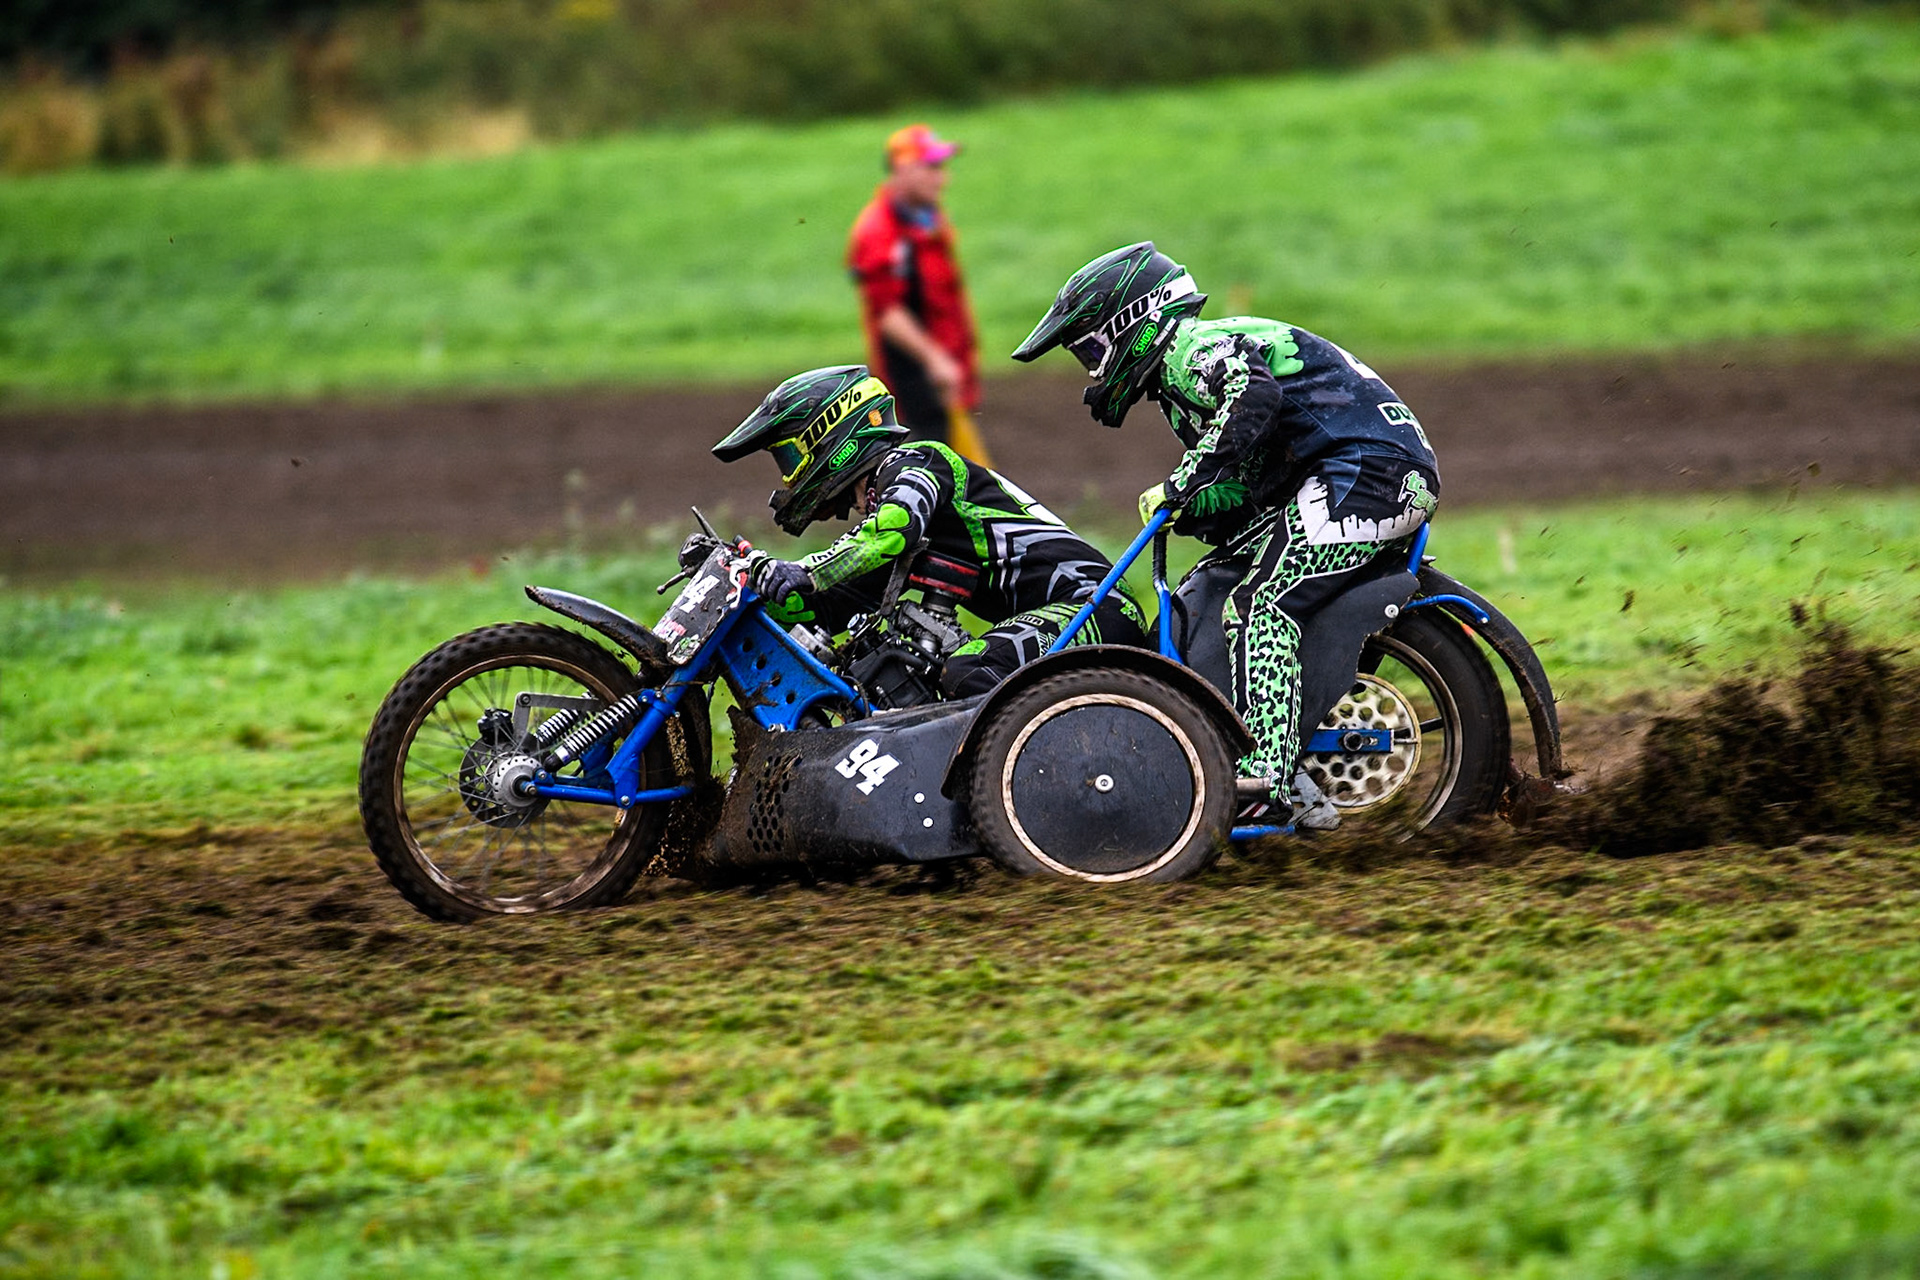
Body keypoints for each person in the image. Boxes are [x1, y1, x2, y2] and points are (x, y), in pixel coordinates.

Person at [1010, 242, 1441, 828]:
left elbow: (1253, 397)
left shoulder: (1192, 347)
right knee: (1216, 582)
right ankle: (1256, 745)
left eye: (1091, 350)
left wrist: (1181, 482)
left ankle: (1268, 779)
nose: (1092, 369)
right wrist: (1192, 504)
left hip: (1372, 473)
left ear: (1133, 322)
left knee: (1261, 606)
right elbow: (1250, 475)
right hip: (1350, 471)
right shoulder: (1179, 385)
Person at [711, 365, 1146, 698]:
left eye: (790, 460)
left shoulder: (917, 462)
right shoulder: (887, 533)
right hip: (1075, 613)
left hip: (1095, 606)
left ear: (830, 436)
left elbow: (895, 528)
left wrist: (805, 570)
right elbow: (826, 608)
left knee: (969, 670)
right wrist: (747, 587)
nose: (789, 479)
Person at [846, 123, 987, 457]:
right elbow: (888, 314)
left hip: (947, 376)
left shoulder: (927, 218)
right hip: (913, 384)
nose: (942, 178)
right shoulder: (878, 231)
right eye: (932, 167)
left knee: (960, 469)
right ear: (903, 168)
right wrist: (936, 360)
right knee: (930, 466)